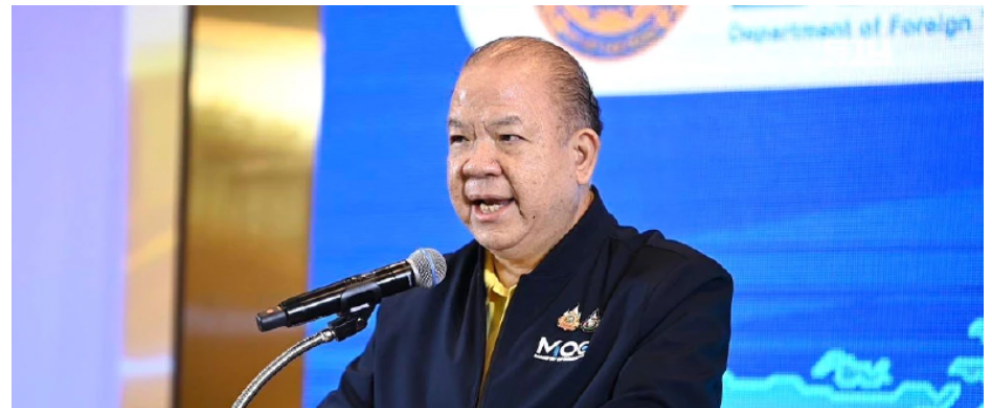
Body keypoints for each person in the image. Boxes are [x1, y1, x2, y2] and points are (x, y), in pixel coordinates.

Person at [319, 36, 733, 408]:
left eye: (508, 138)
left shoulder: (673, 290)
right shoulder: (413, 304)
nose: (476, 164)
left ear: (581, 156)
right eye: (460, 139)